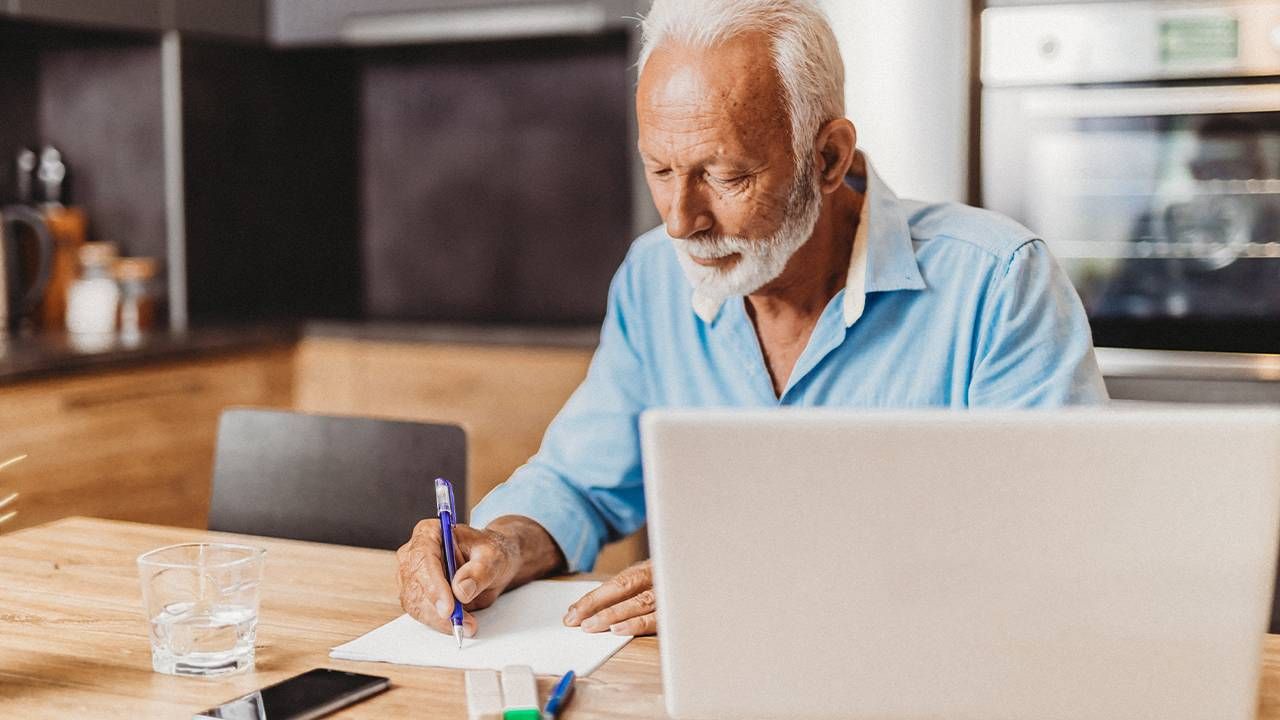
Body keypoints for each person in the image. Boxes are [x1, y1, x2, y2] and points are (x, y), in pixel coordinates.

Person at [396, 0, 1108, 640]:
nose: (681, 221)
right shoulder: (653, 278)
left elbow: (1057, 547)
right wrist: (505, 543)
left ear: (826, 157)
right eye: (661, 170)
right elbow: (579, 481)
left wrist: (755, 592)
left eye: (726, 175)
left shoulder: (998, 281)